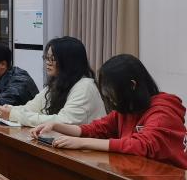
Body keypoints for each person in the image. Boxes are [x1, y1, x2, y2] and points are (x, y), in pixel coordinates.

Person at [31, 55, 187, 169]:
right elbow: (97, 128)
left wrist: (80, 143)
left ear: (132, 86)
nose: (111, 101)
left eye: (112, 95)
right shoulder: (128, 109)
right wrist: (55, 125)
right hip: (141, 174)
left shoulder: (163, 112)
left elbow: (142, 145)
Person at [0, 36, 105, 127]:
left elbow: (63, 122)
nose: (48, 62)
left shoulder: (85, 86)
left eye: (53, 59)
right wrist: (7, 109)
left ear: (68, 61)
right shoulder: (57, 83)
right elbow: (31, 107)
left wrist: (14, 115)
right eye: (47, 58)